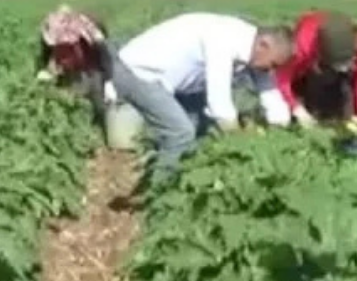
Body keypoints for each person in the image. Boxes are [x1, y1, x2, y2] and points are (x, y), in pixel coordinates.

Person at [110, 12, 294, 184]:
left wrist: (281, 130)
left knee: (202, 129)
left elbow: (270, 93)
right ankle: (162, 189)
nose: (271, 71)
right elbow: (219, 104)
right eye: (272, 64)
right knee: (181, 133)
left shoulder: (255, 51)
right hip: (139, 71)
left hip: (176, 82)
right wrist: (242, 140)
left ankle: (166, 165)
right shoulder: (224, 39)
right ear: (264, 45)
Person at [273, 10, 357, 137]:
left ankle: (341, 120)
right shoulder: (303, 42)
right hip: (310, 67)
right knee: (313, 91)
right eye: (338, 64)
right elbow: (283, 79)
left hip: (329, 57)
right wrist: (297, 109)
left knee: (345, 91)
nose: (343, 68)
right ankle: (316, 114)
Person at [36, 6, 116, 114]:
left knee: (99, 103)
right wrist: (45, 70)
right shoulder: (51, 30)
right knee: (71, 100)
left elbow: (104, 54)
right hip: (71, 70)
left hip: (91, 68)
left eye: (67, 43)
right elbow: (47, 52)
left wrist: (108, 82)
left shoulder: (87, 31)